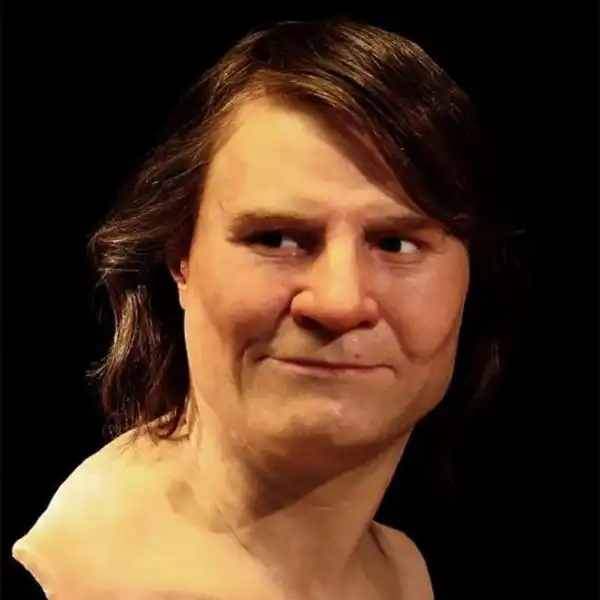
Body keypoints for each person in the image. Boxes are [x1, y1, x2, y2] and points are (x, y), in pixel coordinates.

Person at [12, 17, 515, 600]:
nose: (339, 301)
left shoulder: (400, 570)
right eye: (276, 239)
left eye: (397, 244)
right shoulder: (77, 578)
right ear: (180, 259)